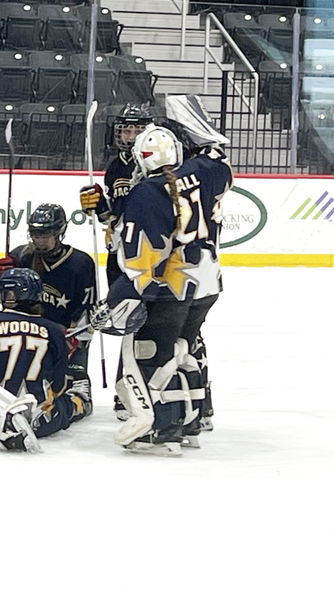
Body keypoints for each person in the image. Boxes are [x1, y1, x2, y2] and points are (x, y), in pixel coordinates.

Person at [110, 121, 232, 456]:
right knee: (184, 349)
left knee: (151, 354)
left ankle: (162, 429)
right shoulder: (202, 171)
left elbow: (142, 254)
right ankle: (191, 422)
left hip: (170, 288)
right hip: (207, 282)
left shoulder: (148, 192)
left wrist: (126, 291)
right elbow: (220, 162)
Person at [80, 103, 154, 420]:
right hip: (119, 255)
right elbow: (112, 216)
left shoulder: (157, 165)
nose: (132, 136)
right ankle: (126, 391)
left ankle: (149, 389)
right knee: (127, 321)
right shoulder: (114, 167)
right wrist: (98, 207)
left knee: (151, 324)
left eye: (138, 130)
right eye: (127, 129)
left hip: (148, 257)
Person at [0, 268, 90, 439]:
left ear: (11, 296)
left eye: (5, 292)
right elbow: (58, 385)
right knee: (65, 403)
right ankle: (79, 401)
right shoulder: (54, 330)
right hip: (42, 421)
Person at [5, 204, 98, 408]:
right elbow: (7, 305)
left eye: (45, 235)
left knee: (73, 393)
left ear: (59, 232)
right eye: (35, 235)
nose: (39, 240)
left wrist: (75, 339)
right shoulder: (21, 256)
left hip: (65, 337)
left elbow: (87, 309)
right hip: (30, 335)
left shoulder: (81, 263)